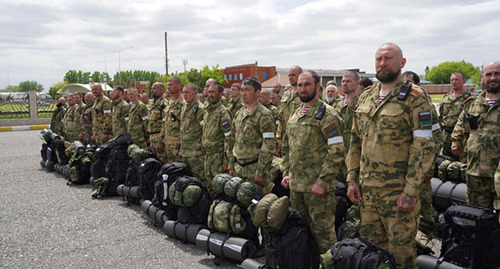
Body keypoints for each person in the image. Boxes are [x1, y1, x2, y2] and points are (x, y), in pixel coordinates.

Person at [346, 43, 436, 269]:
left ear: (402, 63)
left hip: (399, 194)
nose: (382, 63)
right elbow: (355, 141)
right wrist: (351, 178)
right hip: (368, 193)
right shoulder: (366, 97)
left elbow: (423, 146)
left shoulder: (416, 98)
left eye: (388, 58)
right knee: (371, 253)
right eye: (378, 59)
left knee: (401, 255)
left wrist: (411, 190)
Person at [281, 70, 344, 254]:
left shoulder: (328, 115)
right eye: (300, 85)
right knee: (300, 235)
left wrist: (322, 182)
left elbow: (337, 151)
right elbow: (286, 147)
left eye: (307, 84)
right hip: (296, 188)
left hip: (318, 190)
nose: (303, 88)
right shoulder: (295, 114)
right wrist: (286, 172)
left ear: (318, 87)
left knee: (324, 237)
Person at [451, 61, 500, 210]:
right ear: (483, 78)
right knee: (478, 220)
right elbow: (461, 123)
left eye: (497, 73)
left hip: (497, 176)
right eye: (488, 74)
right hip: (475, 175)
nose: (493, 78)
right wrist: (455, 142)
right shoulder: (473, 104)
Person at [229, 77, 276, 194]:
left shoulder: (264, 115)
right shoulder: (239, 113)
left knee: (256, 204)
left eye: (247, 90)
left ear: (257, 92)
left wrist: (260, 172)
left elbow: (268, 145)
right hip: (238, 168)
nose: (243, 93)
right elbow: (231, 139)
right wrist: (231, 164)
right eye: (242, 90)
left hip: (254, 169)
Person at [202, 82, 233, 193]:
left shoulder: (223, 113)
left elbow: (229, 138)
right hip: (207, 156)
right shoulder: (207, 111)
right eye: (209, 92)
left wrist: (226, 161)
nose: (210, 95)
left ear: (220, 94)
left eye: (213, 92)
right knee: (209, 186)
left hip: (218, 157)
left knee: (219, 187)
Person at [439, 72, 475, 160]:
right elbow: (441, 117)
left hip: (461, 137)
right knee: (446, 162)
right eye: (452, 80)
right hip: (446, 136)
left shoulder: (470, 98)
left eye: (457, 79)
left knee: (461, 163)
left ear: (464, 81)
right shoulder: (446, 98)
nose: (454, 82)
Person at [179, 83, 206, 181]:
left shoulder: (200, 110)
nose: (185, 95)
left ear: (195, 93)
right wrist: (181, 149)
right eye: (183, 92)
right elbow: (183, 130)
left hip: (197, 154)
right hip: (186, 152)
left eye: (187, 92)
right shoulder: (185, 108)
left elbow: (205, 131)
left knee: (199, 180)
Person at [277, 65, 303, 157]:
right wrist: (279, 138)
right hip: (286, 138)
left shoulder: (305, 95)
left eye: (293, 75)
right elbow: (281, 118)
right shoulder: (286, 95)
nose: (290, 78)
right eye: (289, 75)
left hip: (300, 139)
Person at [159, 76, 185, 163]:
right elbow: (164, 123)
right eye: (167, 85)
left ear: (178, 86)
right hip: (168, 145)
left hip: (177, 147)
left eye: (171, 85)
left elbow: (185, 127)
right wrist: (161, 141)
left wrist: (182, 148)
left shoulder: (183, 104)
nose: (168, 87)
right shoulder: (169, 102)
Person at [147, 82, 166, 154]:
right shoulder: (151, 103)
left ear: (161, 90)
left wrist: (161, 142)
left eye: (154, 89)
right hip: (151, 137)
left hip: (158, 138)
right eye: (151, 89)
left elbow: (165, 124)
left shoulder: (164, 104)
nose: (151, 91)